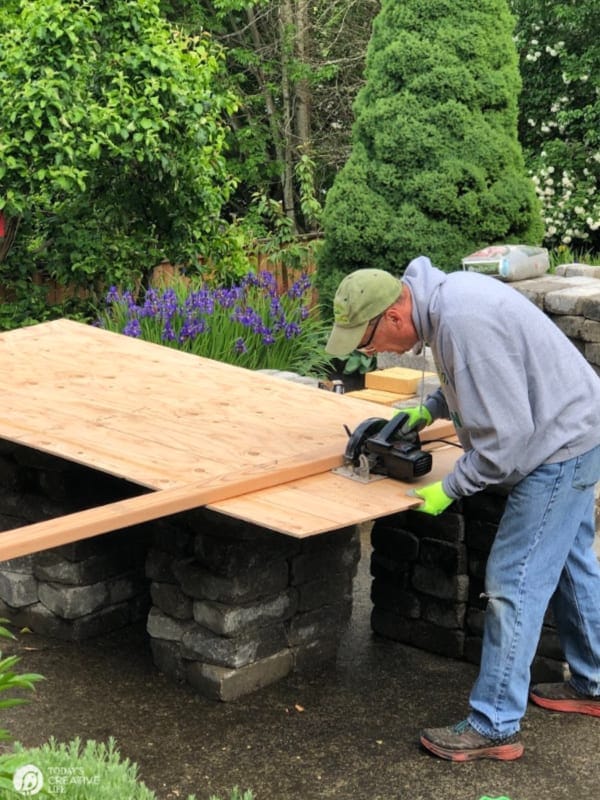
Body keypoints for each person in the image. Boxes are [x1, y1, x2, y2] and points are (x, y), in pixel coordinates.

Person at [325, 256, 600, 762]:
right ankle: (594, 683)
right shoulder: (446, 305)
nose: (371, 355)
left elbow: (506, 441)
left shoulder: (462, 321)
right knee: (570, 560)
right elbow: (484, 382)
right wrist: (429, 409)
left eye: (368, 344)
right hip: (574, 424)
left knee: (513, 582)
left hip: (559, 445)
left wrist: (451, 487)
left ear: (392, 316)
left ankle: (495, 723)